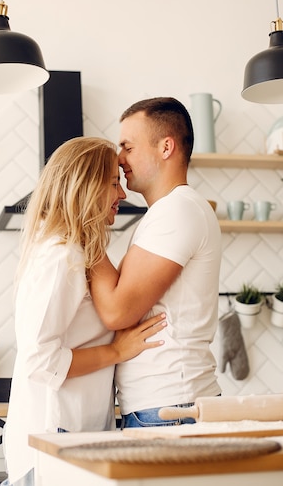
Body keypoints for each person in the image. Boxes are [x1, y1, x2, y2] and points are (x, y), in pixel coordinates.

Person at [2, 136, 167, 486]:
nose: (121, 194)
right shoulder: (61, 256)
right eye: (112, 183)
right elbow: (40, 360)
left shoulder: (77, 252)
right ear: (84, 186)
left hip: (72, 435)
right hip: (52, 440)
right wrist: (116, 351)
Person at [90, 97, 222, 428]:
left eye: (128, 147)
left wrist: (81, 228)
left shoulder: (176, 211)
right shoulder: (167, 212)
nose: (119, 159)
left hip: (170, 407)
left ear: (166, 147)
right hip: (168, 404)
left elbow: (118, 311)